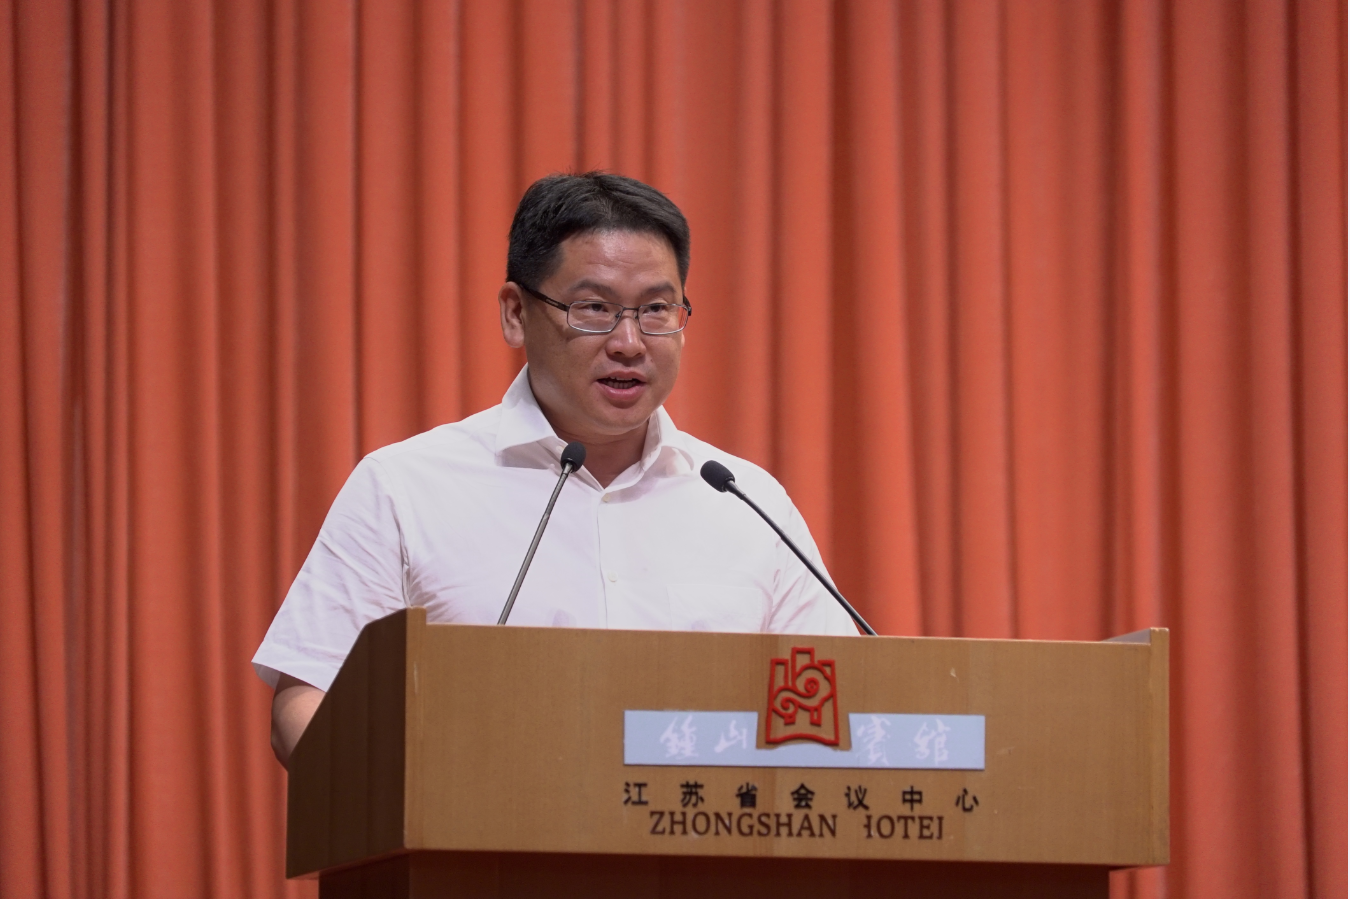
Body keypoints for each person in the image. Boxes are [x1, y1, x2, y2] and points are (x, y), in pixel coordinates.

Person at [254, 172, 858, 766]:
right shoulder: (405, 487)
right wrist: (422, 792)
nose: (629, 342)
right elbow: (307, 703)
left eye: (656, 309)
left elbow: (844, 703)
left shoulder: (746, 501)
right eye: (594, 308)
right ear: (516, 313)